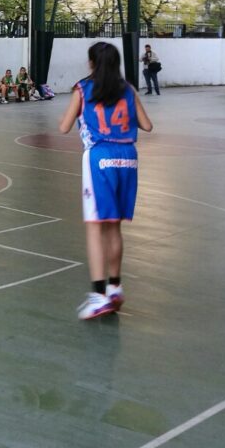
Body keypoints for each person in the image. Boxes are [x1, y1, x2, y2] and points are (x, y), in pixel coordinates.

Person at [58, 41, 152, 320]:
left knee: (94, 227)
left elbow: (63, 127)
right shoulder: (128, 89)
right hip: (128, 158)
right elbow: (147, 125)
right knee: (113, 226)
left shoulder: (82, 89)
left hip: (100, 158)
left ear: (91, 63)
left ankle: (98, 296)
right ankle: (115, 287)